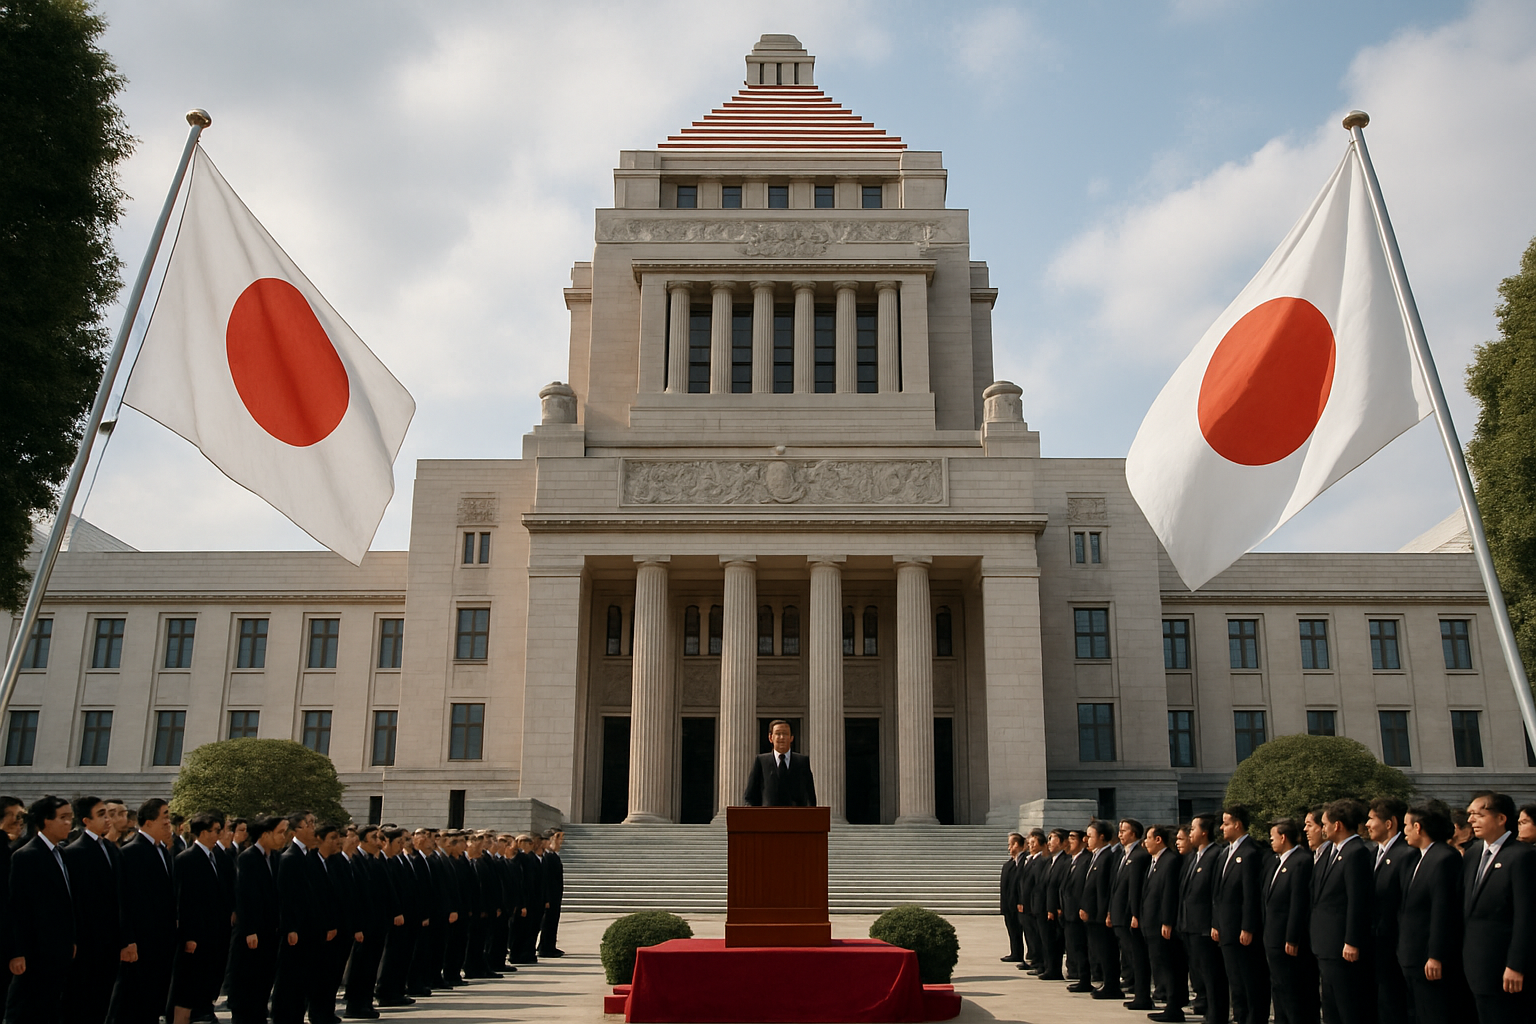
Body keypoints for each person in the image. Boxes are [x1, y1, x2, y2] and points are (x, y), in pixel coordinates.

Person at [1462, 790, 1535, 1023]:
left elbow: (1526, 916)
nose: (1471, 820)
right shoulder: (1473, 853)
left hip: (1505, 968)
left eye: (1478, 814)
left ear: (1501, 818)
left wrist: (1516, 964)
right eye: (1470, 814)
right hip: (1475, 965)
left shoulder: (1522, 856)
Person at [5, 796, 75, 1023]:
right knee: (26, 1009)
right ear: (46, 821)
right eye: (63, 818)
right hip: (34, 951)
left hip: (58, 949)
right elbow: (17, 907)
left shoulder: (62, 853)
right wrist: (17, 952)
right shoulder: (26, 856)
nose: (69, 823)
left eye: (70, 817)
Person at [108, 798, 179, 1024]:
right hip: (141, 941)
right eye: (164, 816)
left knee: (153, 999)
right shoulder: (132, 852)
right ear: (149, 822)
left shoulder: (162, 851)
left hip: (161, 940)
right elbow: (125, 901)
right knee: (132, 1000)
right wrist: (128, 939)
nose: (168, 822)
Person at [1398, 801, 1466, 1023]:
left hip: (1429, 957)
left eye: (1407, 825)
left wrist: (1436, 955)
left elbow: (1443, 910)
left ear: (1418, 827)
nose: (1404, 830)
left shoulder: (1444, 858)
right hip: (1412, 954)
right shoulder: (1418, 857)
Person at [1313, 798, 1374, 1024]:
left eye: (1325, 823)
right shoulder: (1331, 852)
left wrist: (1352, 940)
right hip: (1326, 944)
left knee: (1348, 1007)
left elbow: (1357, 901)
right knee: (1331, 1008)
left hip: (1342, 945)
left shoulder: (1356, 852)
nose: (1323, 828)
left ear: (1337, 825)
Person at [170, 812, 235, 1024]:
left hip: (218, 929)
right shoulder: (187, 859)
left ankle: (206, 1007)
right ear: (203, 832)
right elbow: (184, 901)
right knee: (194, 976)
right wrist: (189, 935)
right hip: (198, 931)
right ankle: (196, 1011)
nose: (220, 834)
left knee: (213, 973)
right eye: (216, 830)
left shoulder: (220, 857)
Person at [62, 795, 119, 1024]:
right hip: (88, 942)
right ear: (86, 820)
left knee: (103, 1001)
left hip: (110, 940)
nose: (108, 819)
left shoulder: (111, 849)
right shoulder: (75, 853)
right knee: (82, 1001)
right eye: (101, 815)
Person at [1212, 805, 1268, 1024]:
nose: (1222, 828)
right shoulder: (1226, 853)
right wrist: (1216, 923)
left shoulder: (1250, 852)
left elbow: (1250, 894)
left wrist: (1248, 926)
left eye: (1226, 823)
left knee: (1249, 980)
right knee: (1235, 981)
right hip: (1226, 927)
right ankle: (1240, 1017)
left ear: (1237, 824)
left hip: (1241, 929)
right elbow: (1218, 893)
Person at [228, 816, 284, 1024]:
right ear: (265, 834)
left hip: (270, 930)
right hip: (252, 931)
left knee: (264, 980)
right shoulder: (248, 857)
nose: (283, 837)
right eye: (279, 832)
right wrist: (250, 929)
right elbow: (245, 895)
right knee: (247, 980)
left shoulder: (275, 857)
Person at [1367, 796, 1418, 1023]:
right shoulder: (1373, 854)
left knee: (1395, 1006)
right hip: (1376, 944)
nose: (1367, 824)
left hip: (1394, 945)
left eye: (1372, 819)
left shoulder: (1406, 854)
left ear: (1389, 823)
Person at [1262, 817, 1314, 1024]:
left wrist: (1292, 937)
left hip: (1286, 939)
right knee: (1279, 987)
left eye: (1273, 837)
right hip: (1272, 936)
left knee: (1292, 991)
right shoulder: (1277, 861)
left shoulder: (1301, 861)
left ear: (1283, 837)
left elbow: (1298, 902)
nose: (1271, 841)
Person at [1141, 824, 1186, 1023]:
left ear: (1158, 839)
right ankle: (1170, 1003)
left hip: (1162, 924)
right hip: (1151, 922)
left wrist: (1167, 921)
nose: (1145, 842)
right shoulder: (1156, 861)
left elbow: (1169, 893)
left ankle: (1174, 1006)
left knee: (1171, 966)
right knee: (1161, 964)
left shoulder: (1170, 860)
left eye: (1148, 838)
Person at [1111, 817, 1153, 1011]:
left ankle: (1143, 996)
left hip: (1130, 915)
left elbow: (1135, 889)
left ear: (1134, 834)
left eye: (1124, 830)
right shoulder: (1123, 854)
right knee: (1129, 956)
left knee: (1138, 957)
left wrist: (1135, 914)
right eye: (1119, 830)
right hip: (1120, 914)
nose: (1120, 834)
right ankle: (1137, 992)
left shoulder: (1139, 856)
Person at [1080, 820, 1119, 1000]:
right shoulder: (1096, 856)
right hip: (1093, 913)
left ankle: (1111, 985)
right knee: (1100, 951)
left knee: (1107, 951)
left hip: (1100, 914)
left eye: (1090, 836)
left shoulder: (1108, 857)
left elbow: (1105, 888)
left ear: (1101, 837)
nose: (1086, 839)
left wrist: (1105, 912)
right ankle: (1106, 982)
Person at [743, 720, 816, 807]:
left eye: (785, 734)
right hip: (768, 814)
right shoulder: (761, 762)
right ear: (770, 738)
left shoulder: (802, 762)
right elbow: (750, 796)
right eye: (778, 734)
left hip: (796, 814)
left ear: (791, 738)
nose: (782, 737)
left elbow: (810, 797)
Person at [1060, 829, 1091, 990]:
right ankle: (1077, 973)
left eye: (1073, 838)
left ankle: (1085, 978)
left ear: (1083, 840)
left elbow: (1086, 887)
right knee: (1074, 946)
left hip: (1079, 912)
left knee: (1082, 947)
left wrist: (1083, 907)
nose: (1069, 841)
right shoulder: (1071, 860)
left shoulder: (1086, 860)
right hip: (1068, 911)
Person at [1038, 829, 1069, 981]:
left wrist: (1056, 906)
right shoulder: (1050, 861)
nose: (1049, 843)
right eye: (1049, 839)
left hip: (1055, 909)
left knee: (1055, 941)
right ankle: (1049, 967)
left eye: (1053, 839)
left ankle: (1054, 969)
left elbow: (1060, 886)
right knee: (1047, 940)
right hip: (1045, 907)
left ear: (1062, 843)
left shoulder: (1064, 861)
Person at [1017, 831, 1046, 971]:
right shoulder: (1030, 859)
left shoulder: (1040, 861)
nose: (1031, 845)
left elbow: (1038, 885)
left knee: (1036, 935)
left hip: (1033, 904)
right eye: (1029, 843)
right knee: (1030, 934)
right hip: (1027, 903)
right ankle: (1034, 959)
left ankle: (1039, 962)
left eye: (1034, 843)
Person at [537, 827, 566, 959]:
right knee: (548, 922)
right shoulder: (547, 857)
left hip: (555, 895)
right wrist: (547, 898)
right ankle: (546, 948)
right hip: (550, 895)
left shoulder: (554, 855)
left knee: (553, 921)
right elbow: (546, 879)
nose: (561, 842)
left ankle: (549, 945)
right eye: (558, 838)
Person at [1000, 832, 1026, 963]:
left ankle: (1032, 956)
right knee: (1013, 930)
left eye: (1010, 845)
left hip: (1021, 904)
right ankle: (1016, 952)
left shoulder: (1025, 862)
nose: (1009, 848)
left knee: (1027, 932)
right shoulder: (1008, 865)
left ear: (1016, 844)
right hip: (1009, 904)